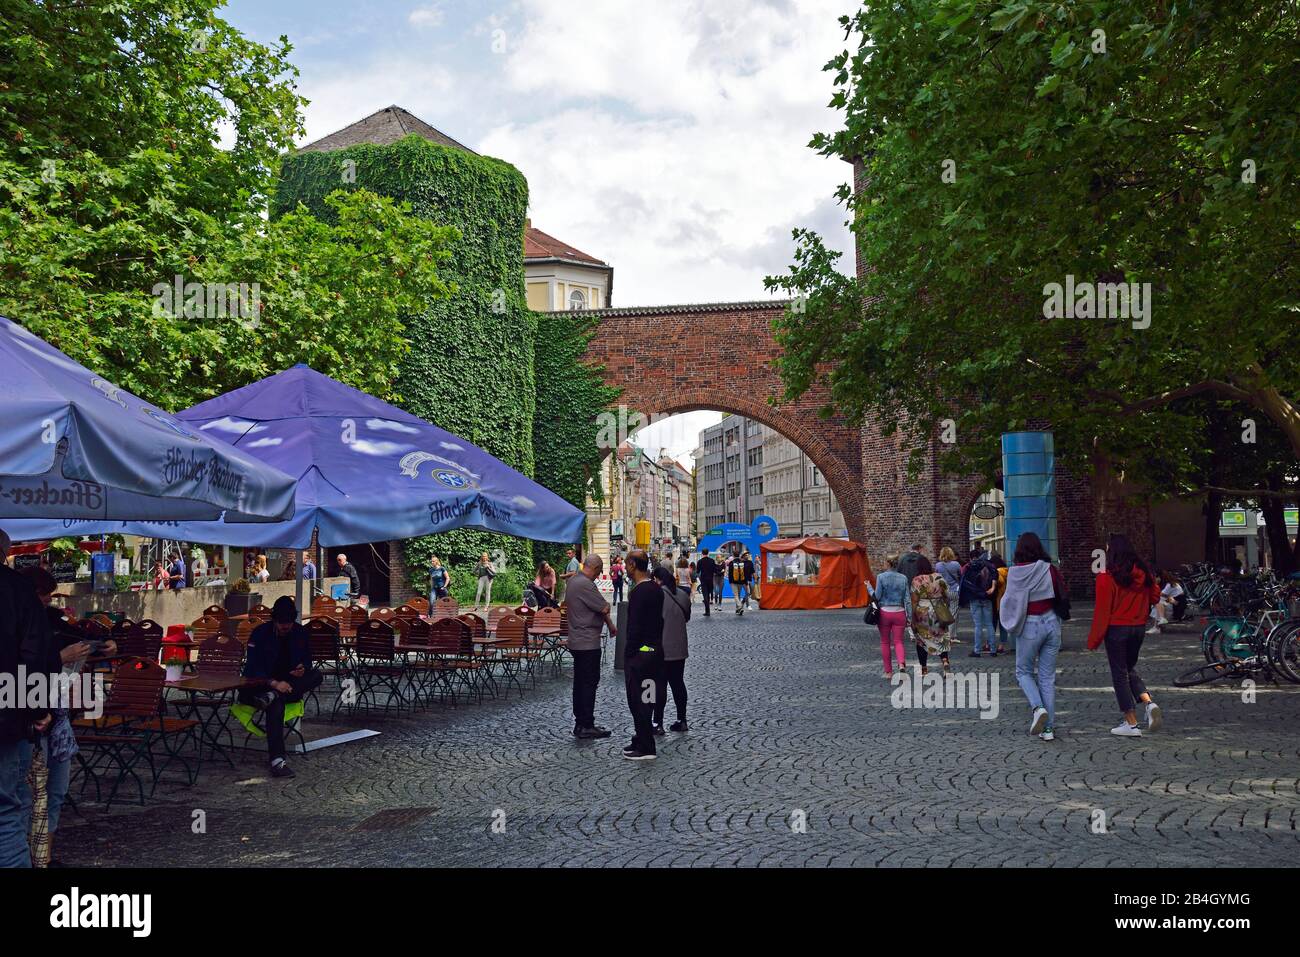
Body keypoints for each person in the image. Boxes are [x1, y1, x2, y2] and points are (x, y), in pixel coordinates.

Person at [20, 567, 93, 867]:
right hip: (29, 720)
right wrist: (61, 658)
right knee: (27, 796)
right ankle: (27, 856)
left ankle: (44, 857)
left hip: (57, 719)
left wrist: (104, 643)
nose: (49, 601)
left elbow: (81, 634)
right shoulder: (15, 625)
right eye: (44, 596)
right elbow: (19, 672)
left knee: (56, 791)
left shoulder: (49, 619)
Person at [1, 528, 56, 868]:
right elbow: (35, 656)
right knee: (5, 813)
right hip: (5, 716)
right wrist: (37, 710)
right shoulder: (17, 589)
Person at [1087, 534, 1163, 737]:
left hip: (1116, 629)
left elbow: (1103, 610)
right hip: (1138, 628)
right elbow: (1155, 596)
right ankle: (1148, 703)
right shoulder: (1144, 573)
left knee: (1119, 674)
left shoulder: (1106, 576)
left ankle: (1131, 722)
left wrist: (1094, 639)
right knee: (1128, 668)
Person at [238, 597, 322, 778]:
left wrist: (302, 668)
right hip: (259, 687)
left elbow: (307, 659)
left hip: (289, 684)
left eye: (289, 623)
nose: (286, 627)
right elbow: (252, 668)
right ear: (274, 620)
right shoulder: (260, 633)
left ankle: (274, 695)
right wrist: (274, 684)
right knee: (275, 706)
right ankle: (277, 761)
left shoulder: (299, 632)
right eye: (282, 624)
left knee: (316, 675)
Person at [1000, 532, 1067, 742]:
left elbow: (1009, 600)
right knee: (1047, 677)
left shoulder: (1014, 573)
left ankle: (1037, 708)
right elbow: (1060, 592)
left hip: (1029, 624)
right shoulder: (1049, 569)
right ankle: (1049, 730)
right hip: (1051, 621)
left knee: (1023, 671)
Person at [566, 554, 617, 739]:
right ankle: (586, 724)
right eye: (599, 571)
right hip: (587, 641)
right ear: (595, 568)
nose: (598, 576)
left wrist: (609, 624)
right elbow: (603, 606)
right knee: (588, 683)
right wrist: (608, 617)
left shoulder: (573, 581)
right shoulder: (586, 585)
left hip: (576, 640)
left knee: (580, 683)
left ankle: (581, 722)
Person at [622, 550, 663, 761]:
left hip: (641, 655)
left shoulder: (639, 592)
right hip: (655, 652)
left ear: (632, 565)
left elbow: (635, 627)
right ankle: (642, 738)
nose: (624, 568)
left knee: (639, 700)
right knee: (648, 698)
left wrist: (629, 654)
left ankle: (646, 746)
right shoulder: (656, 589)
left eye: (626, 563)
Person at [652, 566, 691, 734]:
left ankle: (657, 722)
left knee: (659, 685)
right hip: (679, 646)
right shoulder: (683, 595)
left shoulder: (658, 595)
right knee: (678, 684)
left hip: (661, 647)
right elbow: (687, 617)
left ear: (657, 580)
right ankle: (682, 719)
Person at [868, 554, 913, 679]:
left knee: (885, 642)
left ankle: (888, 672)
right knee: (899, 641)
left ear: (887, 563)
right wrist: (909, 616)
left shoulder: (881, 577)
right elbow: (907, 599)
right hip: (899, 612)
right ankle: (901, 664)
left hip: (884, 613)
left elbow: (877, 596)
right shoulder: (903, 578)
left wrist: (869, 588)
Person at [910, 555, 954, 676]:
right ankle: (945, 662)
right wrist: (945, 606)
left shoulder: (916, 580)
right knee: (941, 638)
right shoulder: (939, 577)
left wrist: (912, 616)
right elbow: (947, 594)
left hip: (922, 613)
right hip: (938, 610)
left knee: (921, 641)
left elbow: (914, 600)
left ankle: (924, 669)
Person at [959, 548, 998, 657]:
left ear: (971, 558)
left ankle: (977, 650)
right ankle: (993, 650)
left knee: (978, 625)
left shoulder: (969, 567)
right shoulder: (989, 565)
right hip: (987, 596)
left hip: (975, 597)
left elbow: (964, 583)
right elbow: (995, 574)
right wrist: (993, 587)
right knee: (989, 624)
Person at [935, 546, 963, 641]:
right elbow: (961, 575)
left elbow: (936, 578)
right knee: (954, 613)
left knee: (943, 613)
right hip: (954, 590)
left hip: (943, 591)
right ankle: (952, 635)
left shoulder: (938, 565)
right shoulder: (956, 564)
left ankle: (943, 633)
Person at [990, 552, 1010, 654]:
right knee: (1003, 625)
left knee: (992, 623)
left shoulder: (998, 572)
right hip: (1006, 602)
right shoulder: (1007, 571)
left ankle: (990, 643)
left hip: (997, 601)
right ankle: (1002, 644)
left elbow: (999, 582)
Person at [696, 548, 717, 616]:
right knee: (709, 593)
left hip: (704, 580)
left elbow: (698, 571)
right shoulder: (712, 561)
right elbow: (714, 570)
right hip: (710, 580)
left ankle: (707, 611)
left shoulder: (700, 561)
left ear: (702, 553)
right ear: (708, 553)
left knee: (705, 595)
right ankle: (708, 608)